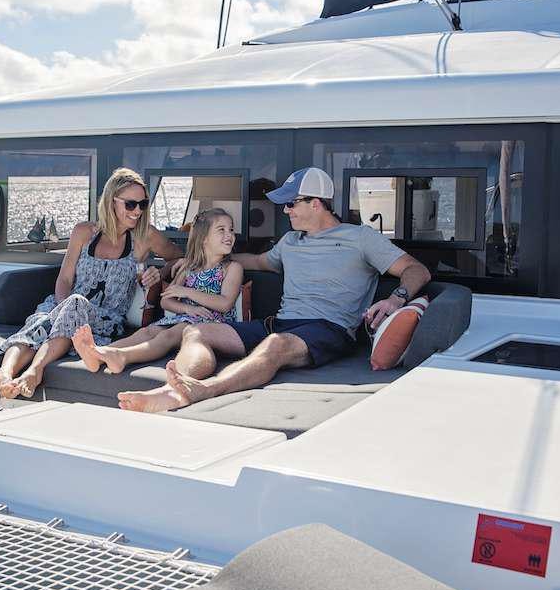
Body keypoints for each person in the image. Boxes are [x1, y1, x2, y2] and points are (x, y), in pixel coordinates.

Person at [118, 166, 431, 413]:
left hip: (329, 329)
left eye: (292, 204)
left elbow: (418, 269)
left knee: (275, 345)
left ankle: (206, 390)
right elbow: (255, 259)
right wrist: (194, 260)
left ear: (317, 204)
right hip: (279, 324)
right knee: (195, 331)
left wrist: (396, 299)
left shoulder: (361, 239)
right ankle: (175, 389)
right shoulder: (291, 242)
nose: (286, 211)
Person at [0, 168, 182, 398]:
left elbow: (178, 257)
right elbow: (65, 278)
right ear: (112, 202)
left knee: (74, 306)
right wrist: (62, 309)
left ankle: (35, 370)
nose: (137, 211)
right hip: (65, 304)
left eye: (143, 204)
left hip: (106, 320)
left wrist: (160, 273)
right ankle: (4, 372)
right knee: (44, 319)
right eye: (130, 204)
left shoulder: (144, 237)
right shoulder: (83, 232)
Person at [72, 208, 244, 374]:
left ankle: (122, 357)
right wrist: (188, 308)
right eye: (221, 230)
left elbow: (225, 303)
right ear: (204, 238)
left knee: (168, 336)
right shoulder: (189, 267)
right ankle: (98, 353)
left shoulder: (231, 268)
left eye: (231, 230)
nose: (229, 235)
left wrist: (186, 292)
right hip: (184, 317)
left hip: (211, 323)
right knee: (147, 332)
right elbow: (166, 301)